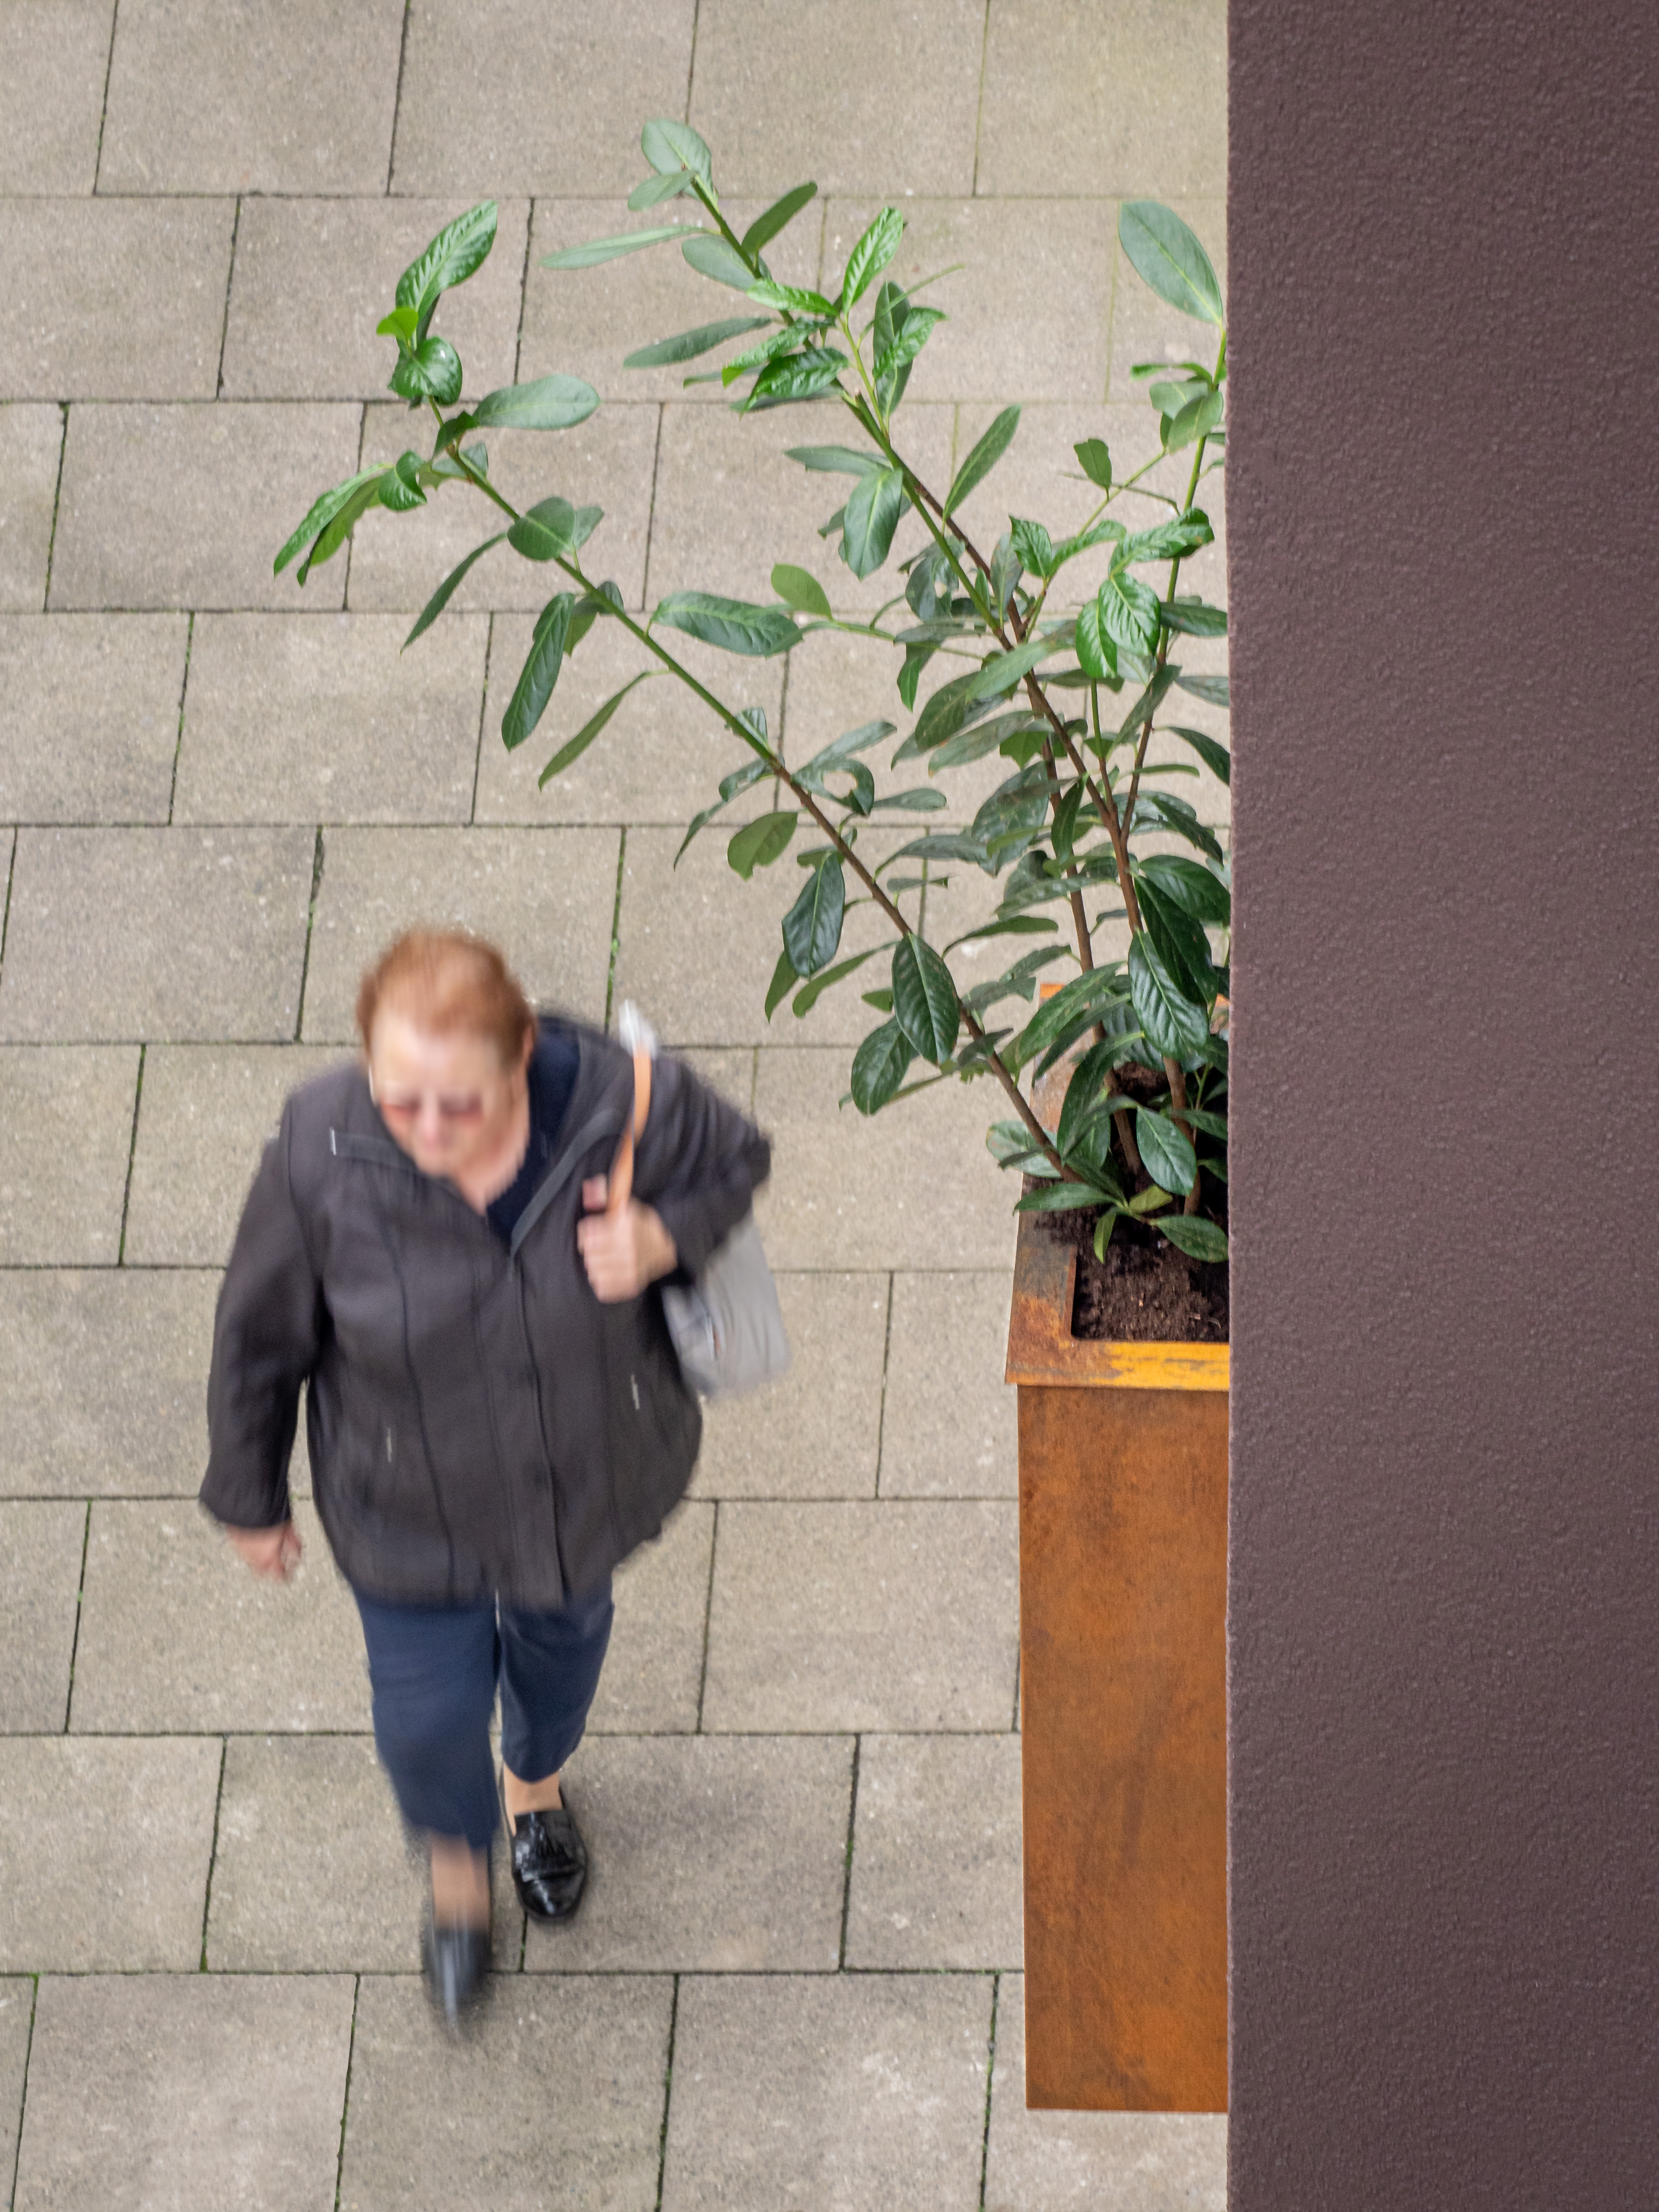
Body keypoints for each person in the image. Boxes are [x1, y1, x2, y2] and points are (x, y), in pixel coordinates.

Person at [200, 929, 770, 2021]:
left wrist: (660, 1235)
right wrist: (250, 1493)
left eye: (458, 1102)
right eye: (398, 1096)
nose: (425, 1130)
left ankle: (535, 1782)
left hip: (576, 1486)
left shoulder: (618, 1097)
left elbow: (734, 1158)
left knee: (561, 1650)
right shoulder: (318, 1148)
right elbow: (256, 1335)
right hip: (404, 1506)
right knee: (422, 1717)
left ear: (520, 1051)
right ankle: (459, 1872)